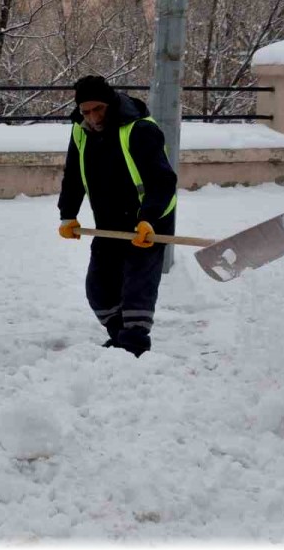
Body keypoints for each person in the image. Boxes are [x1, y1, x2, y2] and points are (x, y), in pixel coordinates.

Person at [56, 75, 177, 357]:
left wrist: (148, 218)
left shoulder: (139, 129)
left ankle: (134, 346)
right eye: (86, 111)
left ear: (110, 102)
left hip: (148, 220)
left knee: (137, 286)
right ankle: (120, 337)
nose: (93, 117)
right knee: (99, 289)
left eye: (98, 109)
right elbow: (73, 175)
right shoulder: (80, 130)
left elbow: (163, 181)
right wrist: (67, 214)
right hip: (109, 221)